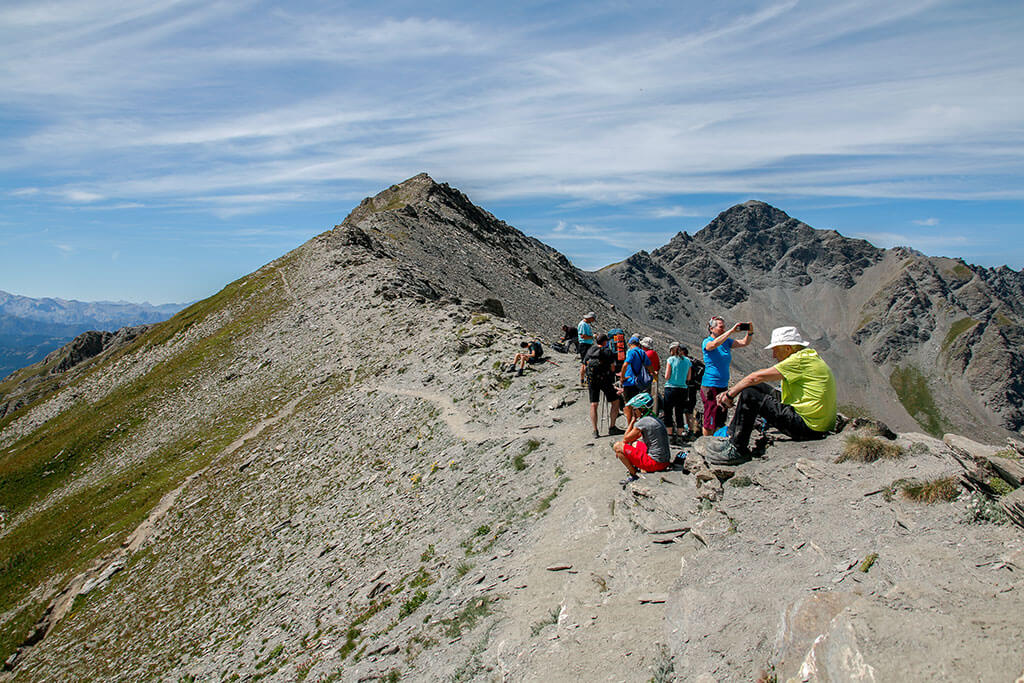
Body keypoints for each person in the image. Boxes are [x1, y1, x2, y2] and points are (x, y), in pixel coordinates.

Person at [716, 326, 836, 459]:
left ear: (788, 348)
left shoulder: (798, 361)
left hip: (808, 427)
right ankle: (731, 436)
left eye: (775, 350)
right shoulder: (808, 356)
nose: (773, 355)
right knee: (757, 387)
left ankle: (736, 449)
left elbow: (755, 377)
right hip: (818, 424)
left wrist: (729, 394)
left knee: (750, 393)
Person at [701, 316, 754, 436]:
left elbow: (744, 342)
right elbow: (712, 345)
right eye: (721, 327)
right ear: (711, 328)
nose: (723, 329)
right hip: (710, 385)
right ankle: (705, 444)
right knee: (710, 418)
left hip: (723, 385)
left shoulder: (726, 342)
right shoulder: (707, 341)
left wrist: (750, 332)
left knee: (721, 416)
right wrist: (731, 331)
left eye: (724, 327)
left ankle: (717, 441)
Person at [612, 392, 671, 486]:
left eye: (635, 409)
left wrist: (632, 420)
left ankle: (634, 474)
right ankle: (642, 469)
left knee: (617, 446)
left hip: (655, 462)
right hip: (664, 460)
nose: (634, 412)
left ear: (641, 409)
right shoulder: (653, 418)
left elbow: (626, 438)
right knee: (635, 444)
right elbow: (632, 439)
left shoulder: (643, 422)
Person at [584, 333, 623, 438]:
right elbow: (613, 368)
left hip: (592, 380)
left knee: (594, 404)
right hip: (604, 380)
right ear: (605, 342)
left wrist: (583, 378)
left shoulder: (591, 350)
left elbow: (584, 364)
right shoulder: (607, 352)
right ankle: (612, 427)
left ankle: (595, 430)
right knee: (615, 401)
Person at [662, 342, 693, 445]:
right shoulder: (688, 361)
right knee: (679, 413)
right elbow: (688, 378)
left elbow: (667, 376)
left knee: (668, 412)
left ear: (672, 350)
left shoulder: (670, 360)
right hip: (683, 389)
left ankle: (670, 436)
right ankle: (680, 436)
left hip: (670, 388)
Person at [620, 335, 652, 423]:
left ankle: (630, 424)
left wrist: (622, 377)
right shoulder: (642, 352)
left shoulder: (631, 352)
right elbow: (649, 365)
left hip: (629, 381)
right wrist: (653, 374)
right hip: (638, 382)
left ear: (630, 344)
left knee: (628, 404)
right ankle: (639, 422)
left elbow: (625, 364)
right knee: (638, 403)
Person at [641, 337, 660, 413]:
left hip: (646, 379)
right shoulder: (654, 353)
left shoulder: (645, 354)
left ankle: (644, 412)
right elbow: (658, 366)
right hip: (654, 378)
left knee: (645, 396)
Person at [577, 312, 597, 384]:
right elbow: (583, 336)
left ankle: (584, 380)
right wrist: (593, 336)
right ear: (590, 318)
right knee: (585, 363)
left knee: (585, 362)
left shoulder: (585, 324)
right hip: (584, 345)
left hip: (586, 345)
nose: (593, 321)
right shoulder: (583, 324)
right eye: (593, 319)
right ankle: (584, 380)